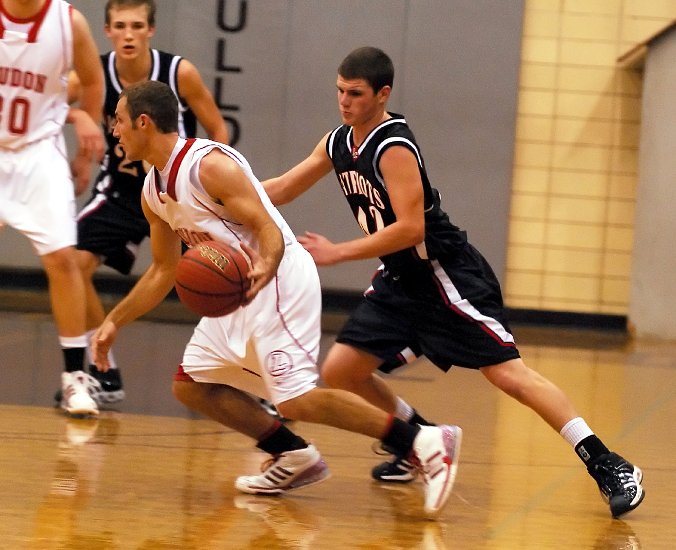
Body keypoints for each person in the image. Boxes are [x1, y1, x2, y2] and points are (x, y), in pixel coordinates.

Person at [262, 46, 645, 519]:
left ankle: (608, 463)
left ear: (382, 94)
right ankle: (419, 443)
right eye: (340, 91)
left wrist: (338, 252)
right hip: (400, 280)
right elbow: (285, 187)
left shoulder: (393, 146)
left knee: (508, 375)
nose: (344, 101)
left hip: (444, 275)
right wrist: (222, 193)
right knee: (342, 371)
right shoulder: (338, 142)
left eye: (355, 93)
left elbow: (411, 229)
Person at [90, 80, 462, 518]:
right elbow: (162, 269)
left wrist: (266, 263)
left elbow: (268, 227)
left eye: (118, 120)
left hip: (279, 278)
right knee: (192, 385)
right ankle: (293, 455)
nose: (114, 130)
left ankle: (421, 440)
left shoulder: (209, 167)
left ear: (144, 122)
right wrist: (114, 321)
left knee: (295, 398)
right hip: (238, 291)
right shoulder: (153, 192)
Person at [58, 0, 230, 409]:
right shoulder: (94, 74)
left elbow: (217, 127)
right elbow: (45, 104)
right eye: (120, 26)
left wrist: (213, 186)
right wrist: (78, 131)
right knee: (72, 263)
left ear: (150, 30)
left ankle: (257, 378)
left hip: (177, 192)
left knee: (226, 277)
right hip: (120, 191)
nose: (129, 34)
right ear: (107, 31)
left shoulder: (178, 72)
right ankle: (103, 371)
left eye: (137, 26)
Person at [0, 0, 105, 417]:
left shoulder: (68, 22)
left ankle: (75, 377)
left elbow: (93, 81)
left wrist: (83, 148)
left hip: (39, 152)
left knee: (63, 259)